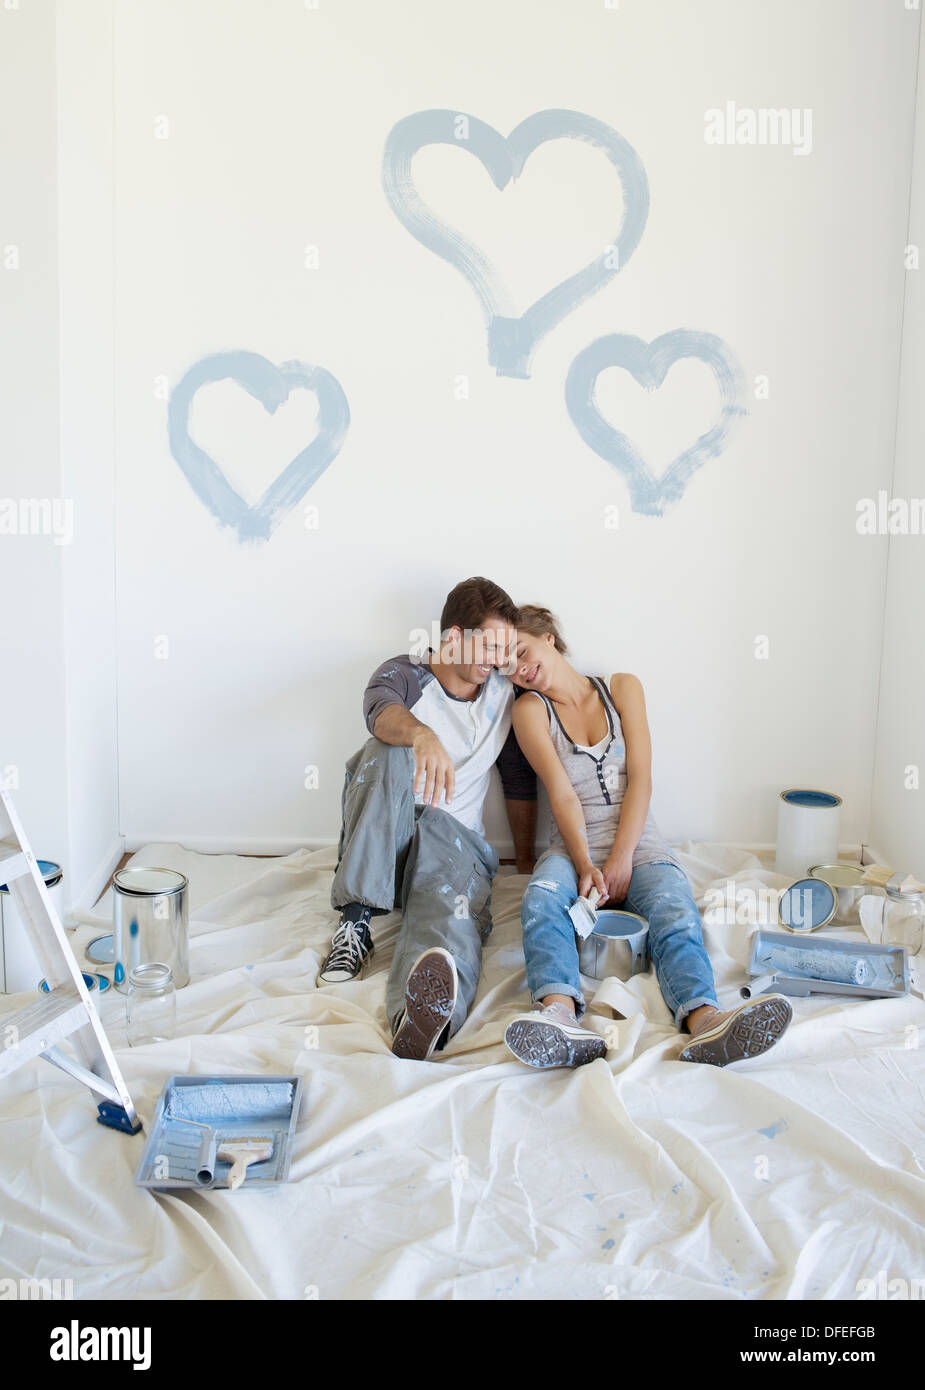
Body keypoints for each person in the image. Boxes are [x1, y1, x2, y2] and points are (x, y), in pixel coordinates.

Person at [502, 605, 792, 1069]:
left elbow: (641, 780)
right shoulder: (528, 711)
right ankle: (558, 1014)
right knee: (541, 899)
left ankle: (705, 1019)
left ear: (549, 637)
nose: (519, 669)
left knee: (674, 908)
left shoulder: (622, 688)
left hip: (639, 843)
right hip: (573, 847)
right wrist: (585, 864)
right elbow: (563, 797)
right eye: (508, 666)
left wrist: (621, 859)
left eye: (521, 651)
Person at [319, 577, 537, 1061]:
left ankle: (423, 1019)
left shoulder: (502, 692)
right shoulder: (405, 673)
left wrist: (524, 862)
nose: (500, 658)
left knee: (449, 918)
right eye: (491, 645)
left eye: (506, 647)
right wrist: (421, 735)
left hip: (452, 844)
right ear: (454, 638)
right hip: (387, 844)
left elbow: (518, 779)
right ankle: (355, 925)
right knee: (383, 751)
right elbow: (377, 711)